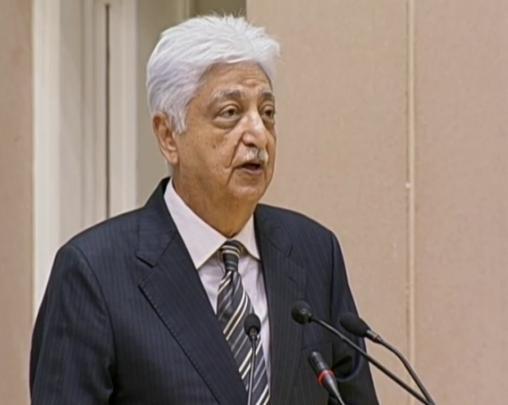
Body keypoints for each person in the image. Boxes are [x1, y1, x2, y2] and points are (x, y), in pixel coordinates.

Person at [30, 15, 378, 405]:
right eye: (230, 113)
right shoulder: (93, 273)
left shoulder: (315, 253)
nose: (258, 135)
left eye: (267, 113)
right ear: (168, 136)